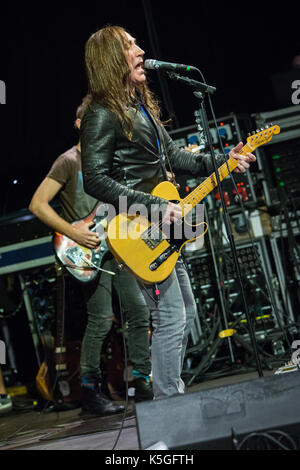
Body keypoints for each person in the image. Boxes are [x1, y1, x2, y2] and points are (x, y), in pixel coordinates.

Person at [80, 25, 256, 400]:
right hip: (137, 228)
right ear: (112, 59)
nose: (141, 50)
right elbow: (93, 180)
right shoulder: (100, 113)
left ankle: (169, 400)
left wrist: (226, 159)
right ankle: (167, 408)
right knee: (170, 317)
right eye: (130, 46)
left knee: (186, 313)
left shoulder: (139, 104)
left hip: (160, 228)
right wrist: (158, 206)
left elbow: (175, 157)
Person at [29, 97, 154, 416]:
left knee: (139, 312)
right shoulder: (68, 161)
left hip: (118, 247)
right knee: (99, 320)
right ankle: (90, 391)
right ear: (79, 124)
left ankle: (141, 382)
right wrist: (73, 233)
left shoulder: (111, 161)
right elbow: (38, 204)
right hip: (86, 250)